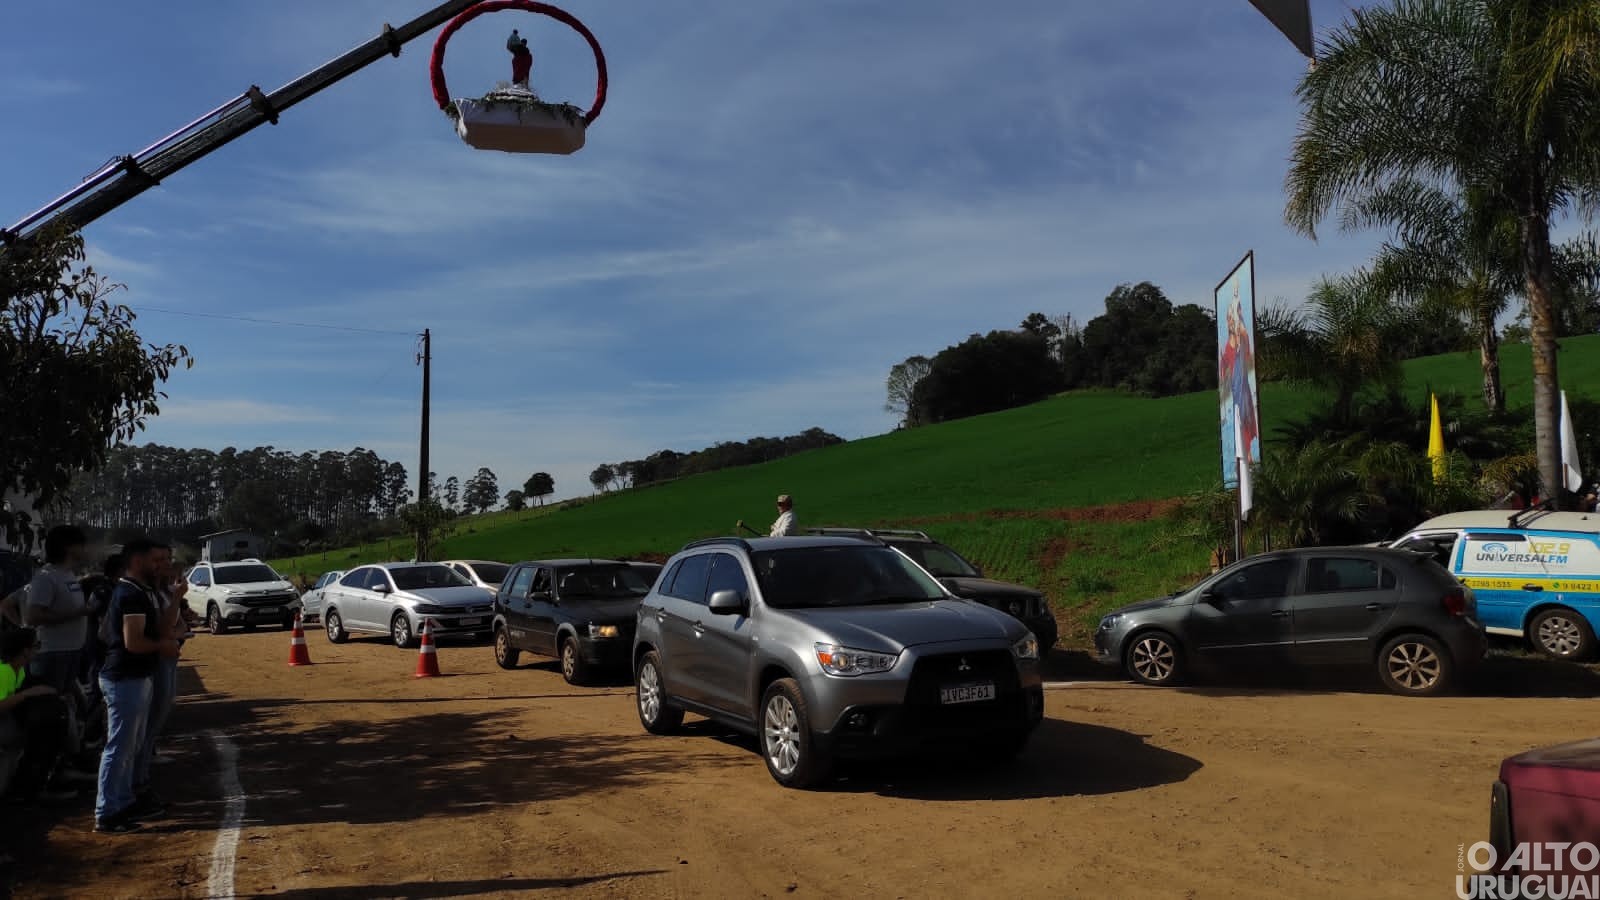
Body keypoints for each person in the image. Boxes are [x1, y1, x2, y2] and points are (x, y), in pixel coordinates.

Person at [94, 538, 180, 834]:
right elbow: (133, 642)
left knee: (130, 744)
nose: (161, 566)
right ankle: (107, 812)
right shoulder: (130, 593)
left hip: (135, 677)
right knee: (119, 746)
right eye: (155, 560)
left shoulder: (140, 592)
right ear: (137, 561)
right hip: (124, 677)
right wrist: (163, 647)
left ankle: (123, 802)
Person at [0, 627, 83, 806]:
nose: (38, 649)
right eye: (36, 645)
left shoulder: (18, 669)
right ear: (24, 651)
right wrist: (29, 694)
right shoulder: (4, 672)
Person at [133, 554, 189, 811]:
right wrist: (170, 635)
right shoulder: (150, 595)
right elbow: (165, 629)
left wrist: (175, 634)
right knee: (147, 724)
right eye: (160, 562)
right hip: (154, 662)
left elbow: (179, 625)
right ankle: (137, 783)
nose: (166, 567)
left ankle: (141, 778)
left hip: (166, 659)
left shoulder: (165, 592)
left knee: (156, 721)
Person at [23, 526, 89, 697]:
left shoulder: (69, 575)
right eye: (80, 544)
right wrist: (75, 614)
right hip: (52, 654)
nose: (84, 548)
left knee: (64, 705)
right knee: (49, 707)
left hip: (73, 651)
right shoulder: (46, 577)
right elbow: (32, 617)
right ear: (67, 547)